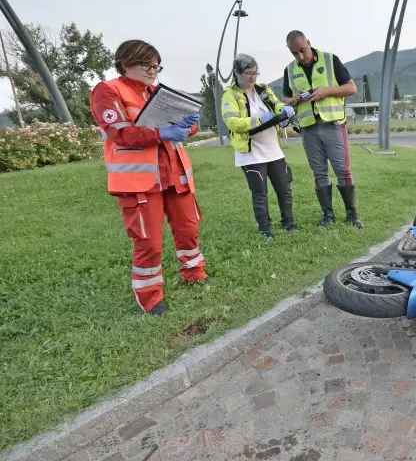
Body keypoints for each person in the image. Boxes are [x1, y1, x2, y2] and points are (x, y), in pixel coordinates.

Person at [90, 39, 209, 317]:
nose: (152, 69)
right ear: (125, 62)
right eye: (146, 63)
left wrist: (187, 126)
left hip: (174, 174)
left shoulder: (156, 92)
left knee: (188, 228)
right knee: (149, 242)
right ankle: (150, 297)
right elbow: (119, 132)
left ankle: (194, 273)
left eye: (156, 65)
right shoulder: (107, 91)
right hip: (140, 182)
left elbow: (182, 129)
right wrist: (162, 133)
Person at [282, 30, 363, 228]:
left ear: (309, 43)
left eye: (303, 50)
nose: (301, 56)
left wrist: (327, 91)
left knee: (342, 170)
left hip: (333, 125)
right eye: (295, 53)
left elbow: (351, 88)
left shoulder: (330, 60)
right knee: (319, 172)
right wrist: (294, 99)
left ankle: (352, 215)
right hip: (309, 128)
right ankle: (328, 216)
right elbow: (285, 100)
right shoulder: (290, 70)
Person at [222, 53, 297, 240]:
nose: (253, 77)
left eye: (255, 72)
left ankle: (289, 224)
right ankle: (265, 230)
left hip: (273, 150)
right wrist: (257, 119)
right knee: (260, 193)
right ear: (236, 73)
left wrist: (284, 110)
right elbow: (232, 122)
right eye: (248, 73)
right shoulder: (230, 95)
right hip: (251, 154)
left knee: (284, 189)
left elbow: (277, 104)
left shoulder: (263, 90)